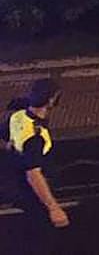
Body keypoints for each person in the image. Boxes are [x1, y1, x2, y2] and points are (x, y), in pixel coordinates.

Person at [4, 77, 69, 233]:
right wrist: (54, 208)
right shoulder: (35, 136)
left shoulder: (18, 116)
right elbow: (34, 175)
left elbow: (7, 134)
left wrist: (11, 144)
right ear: (51, 100)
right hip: (33, 195)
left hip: (15, 181)